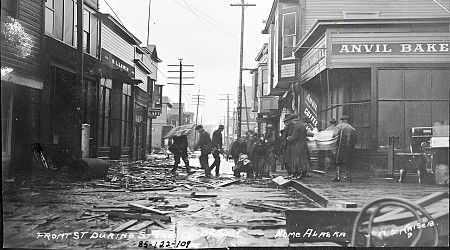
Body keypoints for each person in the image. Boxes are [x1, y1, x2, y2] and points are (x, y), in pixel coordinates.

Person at [332, 115, 358, 181]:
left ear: (342, 120)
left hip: (340, 148)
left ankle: (337, 176)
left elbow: (334, 135)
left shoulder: (339, 126)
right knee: (347, 162)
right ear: (347, 121)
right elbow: (355, 139)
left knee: (338, 162)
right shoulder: (352, 128)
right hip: (349, 149)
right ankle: (348, 177)